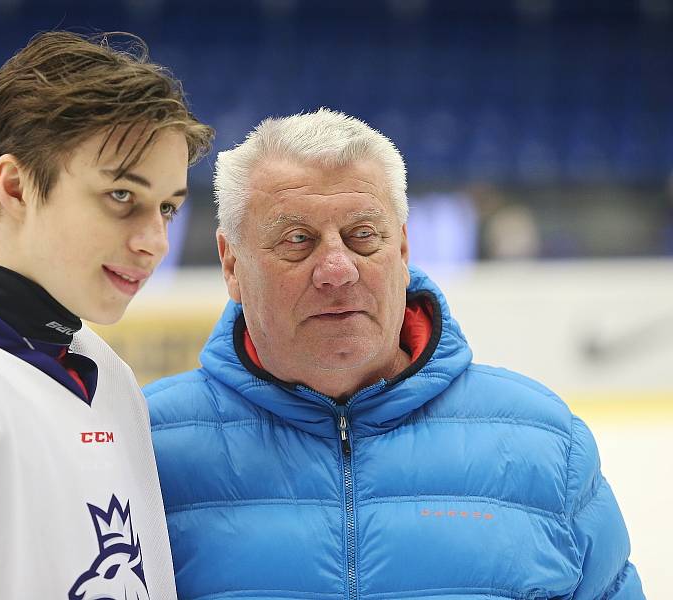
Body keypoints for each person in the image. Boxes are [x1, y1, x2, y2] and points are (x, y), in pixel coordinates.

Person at [144, 109, 644, 599]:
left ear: (403, 250)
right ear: (231, 263)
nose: (337, 269)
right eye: (298, 241)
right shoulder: (145, 447)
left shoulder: (546, 444)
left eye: (363, 237)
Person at [0, 31, 212, 599]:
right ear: (15, 185)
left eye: (169, 208)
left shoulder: (108, 379)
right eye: (122, 196)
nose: (154, 241)